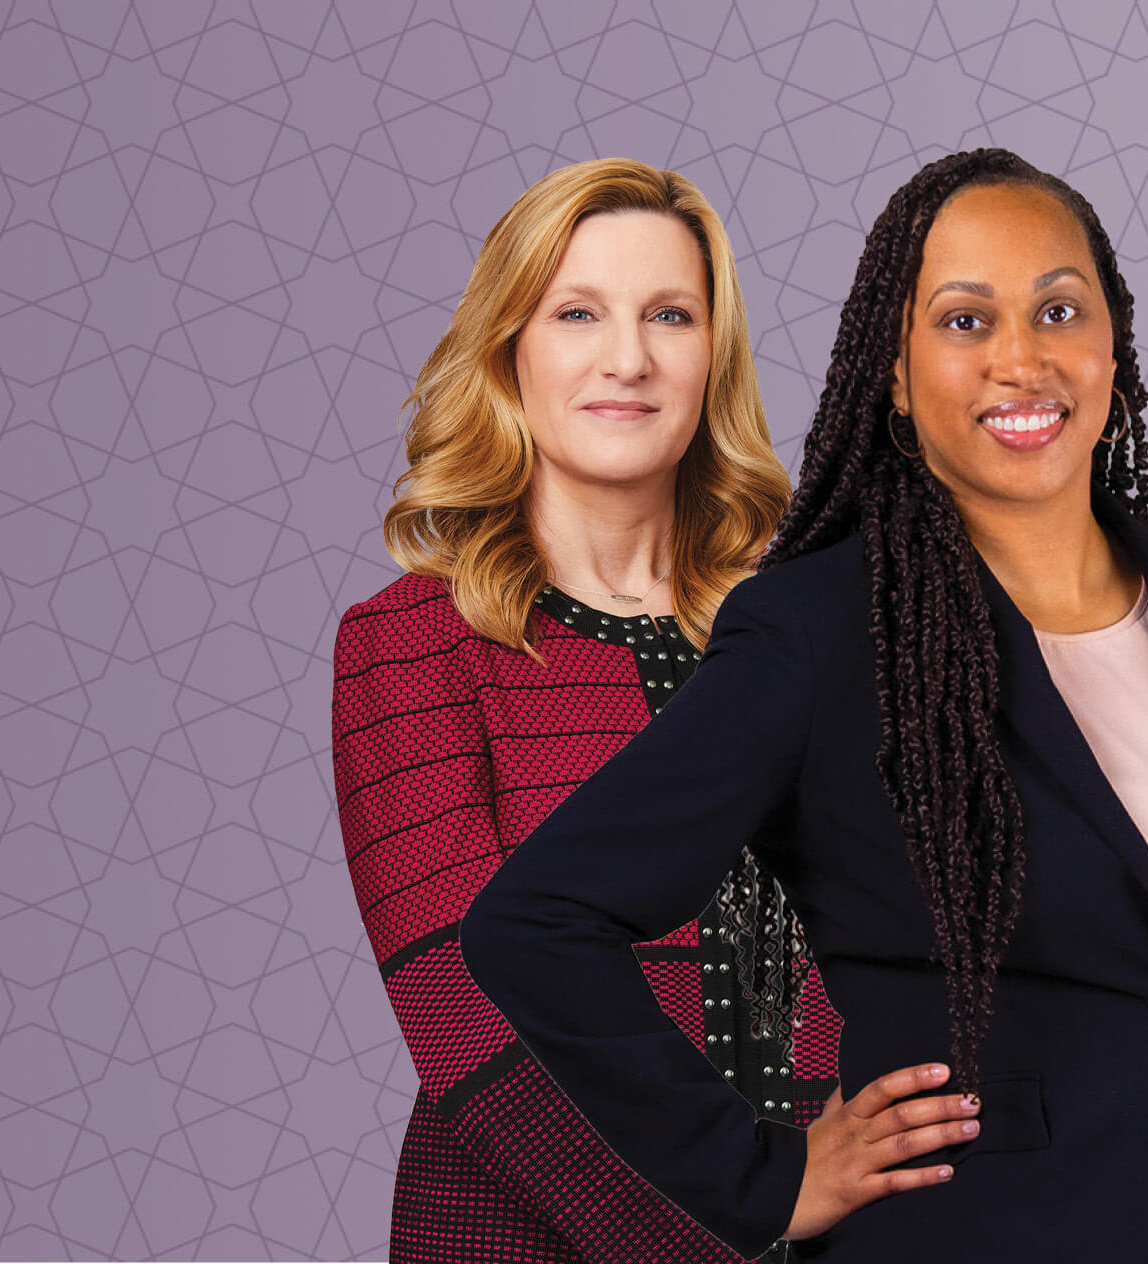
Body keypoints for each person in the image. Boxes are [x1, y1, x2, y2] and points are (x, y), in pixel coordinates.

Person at [461, 147, 1148, 1262]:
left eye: (1058, 310)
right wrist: (759, 1179)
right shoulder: (819, 632)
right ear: (894, 374)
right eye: (964, 321)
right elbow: (536, 922)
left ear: (1113, 342)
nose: (1021, 359)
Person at [331, 158, 839, 1263]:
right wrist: (747, 1214)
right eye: (577, 313)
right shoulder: (411, 640)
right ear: (509, 347)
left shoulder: (809, 622)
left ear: (715, 354)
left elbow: (890, 937)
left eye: (671, 314)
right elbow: (466, 1007)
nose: (629, 358)